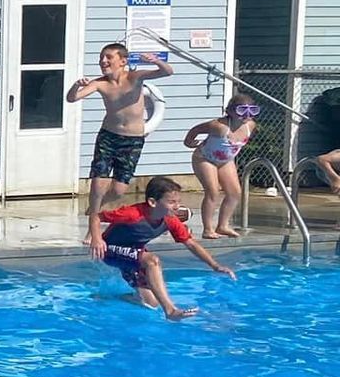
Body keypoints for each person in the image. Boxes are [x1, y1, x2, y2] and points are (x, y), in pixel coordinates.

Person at [89, 175, 235, 320]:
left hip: (133, 255)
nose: (177, 206)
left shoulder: (170, 220)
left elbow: (191, 244)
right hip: (109, 250)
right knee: (152, 261)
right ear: (152, 202)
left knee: (150, 303)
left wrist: (215, 266)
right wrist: (96, 239)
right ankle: (170, 310)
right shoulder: (133, 214)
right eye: (171, 202)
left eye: (178, 202)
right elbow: (96, 216)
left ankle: (111, 298)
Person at [69, 42, 175, 236]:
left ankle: (97, 207)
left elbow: (168, 72)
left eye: (109, 57)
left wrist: (157, 61)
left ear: (123, 61)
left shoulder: (135, 77)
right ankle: (93, 226)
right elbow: (72, 98)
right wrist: (76, 86)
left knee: (118, 190)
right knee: (98, 183)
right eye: (101, 57)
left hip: (133, 139)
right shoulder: (100, 83)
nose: (103, 61)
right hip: (108, 136)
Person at [182, 93, 260, 240]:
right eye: (241, 110)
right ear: (230, 111)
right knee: (213, 191)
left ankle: (223, 226)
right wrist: (188, 142)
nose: (247, 115)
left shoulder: (250, 125)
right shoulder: (219, 126)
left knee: (235, 193)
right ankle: (208, 229)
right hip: (204, 158)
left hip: (225, 161)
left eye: (252, 111)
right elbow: (196, 129)